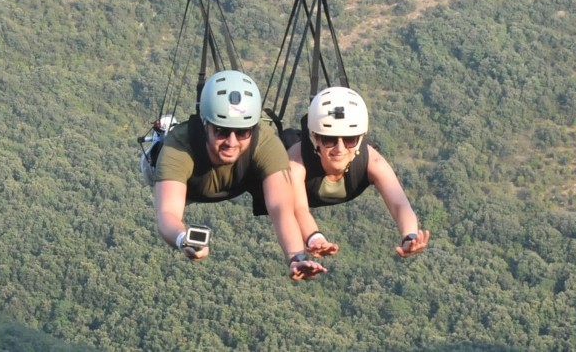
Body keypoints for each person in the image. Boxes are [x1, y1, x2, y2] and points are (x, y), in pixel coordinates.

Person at [150, 69, 326, 280]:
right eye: (221, 131)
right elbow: (167, 214)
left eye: (242, 132)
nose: (232, 142)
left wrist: (295, 257)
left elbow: (281, 208)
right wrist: (183, 239)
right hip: (193, 185)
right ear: (205, 125)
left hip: (243, 179)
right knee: (156, 162)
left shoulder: (266, 143)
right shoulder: (179, 146)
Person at [287, 86, 430, 259]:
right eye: (329, 139)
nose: (340, 149)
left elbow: (399, 203)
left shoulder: (371, 161)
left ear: (360, 138)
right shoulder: (296, 161)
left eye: (349, 139)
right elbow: (299, 208)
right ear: (315, 138)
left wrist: (410, 236)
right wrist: (315, 238)